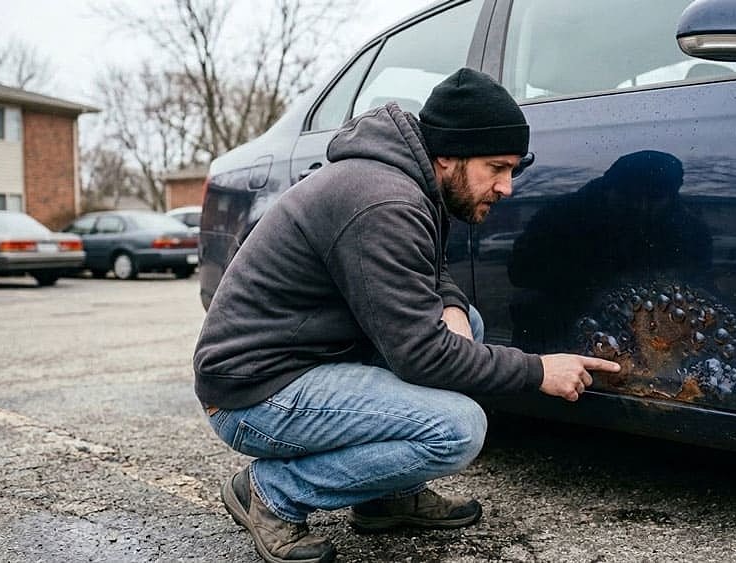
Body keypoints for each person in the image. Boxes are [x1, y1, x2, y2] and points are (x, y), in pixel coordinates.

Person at [193, 67, 621, 563]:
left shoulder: (405, 181)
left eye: (512, 171)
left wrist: (455, 307)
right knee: (457, 430)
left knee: (470, 327)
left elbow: (427, 271)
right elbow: (421, 357)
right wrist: (537, 370)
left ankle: (383, 496)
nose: (506, 188)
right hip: (255, 393)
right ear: (448, 156)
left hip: (304, 360)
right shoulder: (383, 201)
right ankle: (271, 494)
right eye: (496, 168)